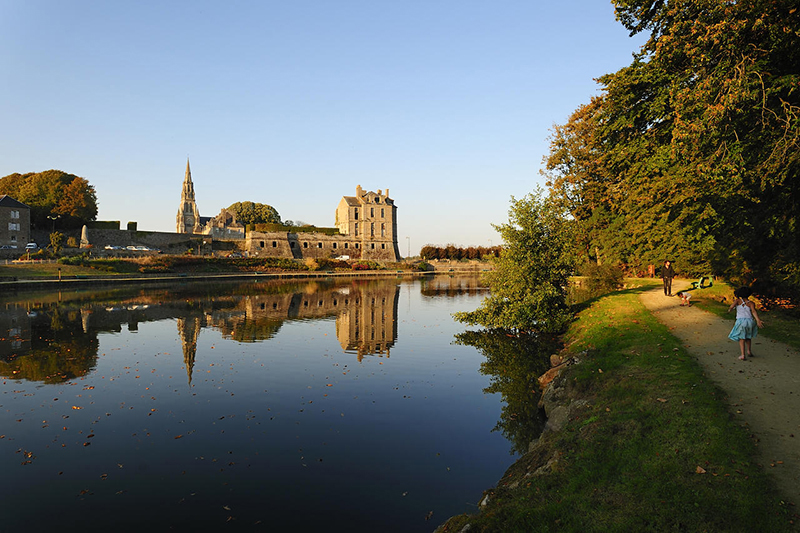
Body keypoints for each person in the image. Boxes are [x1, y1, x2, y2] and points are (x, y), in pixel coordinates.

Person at [727, 287, 764, 360]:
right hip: (750, 321)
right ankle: (749, 351)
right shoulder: (751, 303)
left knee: (742, 338)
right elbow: (753, 311)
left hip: (741, 322)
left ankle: (742, 355)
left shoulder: (737, 301)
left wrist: (730, 310)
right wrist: (758, 320)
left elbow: (731, 307)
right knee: (748, 337)